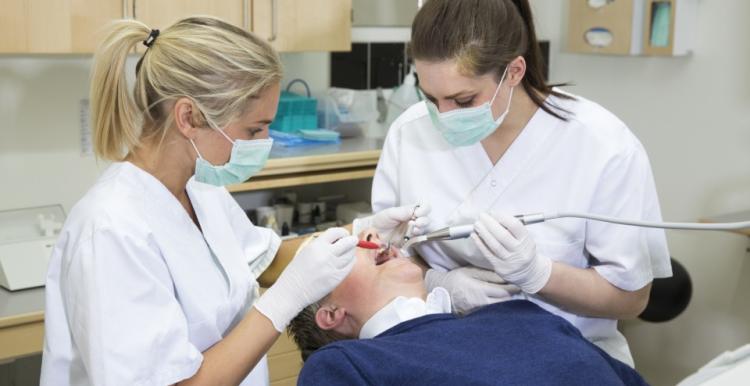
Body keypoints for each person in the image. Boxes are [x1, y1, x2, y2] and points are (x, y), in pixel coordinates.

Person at [39, 17, 425, 386]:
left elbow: (267, 260)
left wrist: (359, 231)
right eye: (253, 129)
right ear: (188, 117)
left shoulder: (200, 191)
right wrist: (283, 301)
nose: (264, 143)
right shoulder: (111, 230)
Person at [370, 0, 672, 366]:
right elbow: (381, 257)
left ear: (514, 71)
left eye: (463, 100)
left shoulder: (603, 145)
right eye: (431, 97)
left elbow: (632, 297)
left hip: (566, 361)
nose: (443, 117)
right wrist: (437, 281)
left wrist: (539, 274)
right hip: (440, 354)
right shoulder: (410, 132)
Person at [287, 229, 649, 386]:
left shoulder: (518, 313)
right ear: (330, 314)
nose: (367, 238)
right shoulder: (343, 365)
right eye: (339, 250)